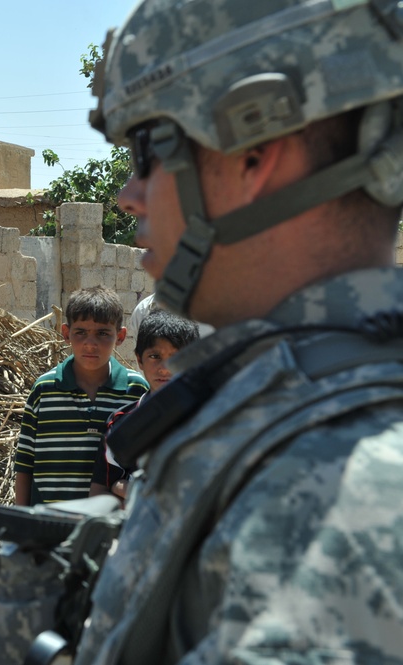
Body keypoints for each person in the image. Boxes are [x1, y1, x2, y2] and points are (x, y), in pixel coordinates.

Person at [75, 1, 403, 662]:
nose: (128, 194)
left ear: (253, 151)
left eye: (148, 150)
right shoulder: (283, 403)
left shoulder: (340, 483)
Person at [13, 285, 148, 506]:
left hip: (107, 528)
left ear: (121, 336)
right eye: (81, 332)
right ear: (66, 333)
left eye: (103, 333)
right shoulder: (44, 389)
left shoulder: (136, 391)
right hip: (48, 524)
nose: (91, 343)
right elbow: (25, 463)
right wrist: (20, 523)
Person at [89, 308, 199, 501]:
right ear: (139, 360)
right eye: (155, 357)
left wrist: (126, 488)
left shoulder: (210, 418)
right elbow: (101, 490)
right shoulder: (121, 424)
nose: (164, 369)